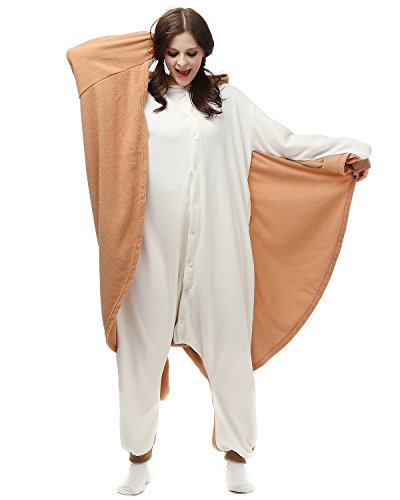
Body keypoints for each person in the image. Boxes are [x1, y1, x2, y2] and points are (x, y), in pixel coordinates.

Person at [66, 7, 371, 497]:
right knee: (140, 357)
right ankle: (138, 457)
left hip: (220, 253)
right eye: (171, 52)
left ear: (206, 51)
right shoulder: (135, 100)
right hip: (148, 254)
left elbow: (286, 143)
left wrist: (343, 155)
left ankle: (236, 457)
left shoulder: (230, 102)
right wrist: (151, 40)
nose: (182, 63)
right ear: (160, 52)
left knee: (230, 355)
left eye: (191, 52)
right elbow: (82, 57)